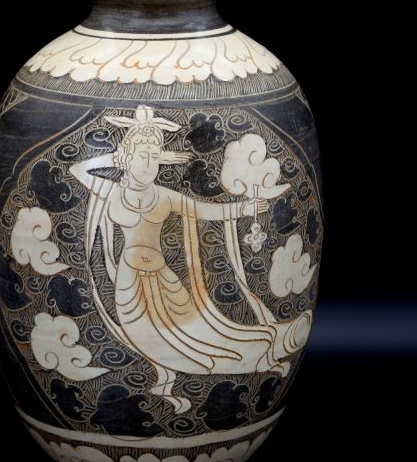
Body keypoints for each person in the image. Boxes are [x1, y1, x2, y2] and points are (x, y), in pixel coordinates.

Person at [70, 105, 310, 413]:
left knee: (203, 334)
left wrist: (243, 209)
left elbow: (204, 211)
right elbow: (78, 170)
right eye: (143, 157)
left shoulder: (164, 196)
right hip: (130, 284)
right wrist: (116, 157)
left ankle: (265, 351)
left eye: (154, 158)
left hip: (164, 279)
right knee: (152, 338)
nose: (149, 165)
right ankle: (169, 381)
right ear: (127, 158)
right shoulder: (113, 192)